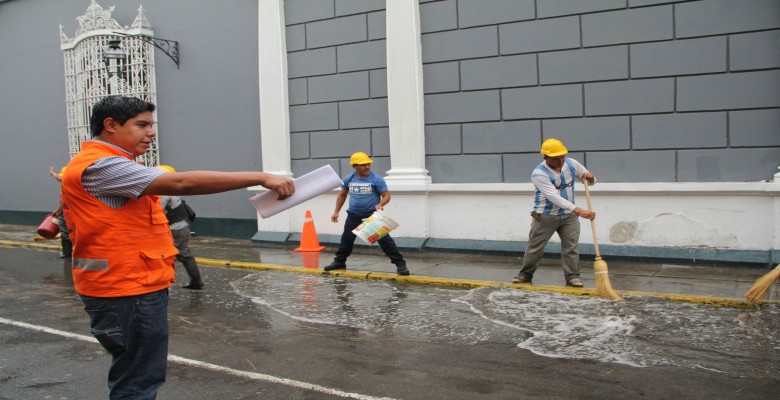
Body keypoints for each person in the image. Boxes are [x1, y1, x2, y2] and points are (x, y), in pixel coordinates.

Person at [60, 95, 294, 400]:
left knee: (135, 376)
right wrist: (261, 177)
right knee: (137, 383)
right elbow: (183, 183)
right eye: (142, 125)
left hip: (127, 286)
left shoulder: (105, 163)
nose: (151, 133)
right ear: (111, 125)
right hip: (126, 290)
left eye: (151, 125)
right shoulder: (103, 165)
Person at [512, 138, 596, 287]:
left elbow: (590, 180)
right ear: (546, 157)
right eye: (556, 158)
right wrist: (579, 211)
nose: (561, 161)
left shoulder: (571, 164)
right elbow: (554, 197)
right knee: (535, 247)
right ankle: (525, 274)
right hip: (545, 215)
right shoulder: (539, 174)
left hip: (569, 216)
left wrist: (590, 178)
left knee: (571, 246)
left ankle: (573, 277)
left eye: (562, 157)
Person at [324, 151, 410, 276]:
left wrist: (381, 204)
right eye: (363, 165)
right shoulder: (349, 178)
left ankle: (400, 264)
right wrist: (336, 211)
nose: (367, 167)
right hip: (353, 215)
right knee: (346, 240)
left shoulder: (376, 179)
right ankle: (339, 262)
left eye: (368, 164)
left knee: (385, 241)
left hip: (371, 216)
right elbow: (342, 195)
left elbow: (386, 195)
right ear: (355, 166)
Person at [157, 165, 203, 290]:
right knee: (185, 255)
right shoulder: (172, 190)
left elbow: (157, 210)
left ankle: (162, 285)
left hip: (173, 229)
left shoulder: (163, 192)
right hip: (182, 227)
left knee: (163, 257)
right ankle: (196, 281)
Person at [49, 166, 72, 258]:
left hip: (66, 211)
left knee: (65, 232)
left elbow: (64, 201)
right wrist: (52, 172)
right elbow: (58, 177)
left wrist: (56, 211)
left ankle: (67, 253)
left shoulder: (67, 185)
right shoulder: (73, 183)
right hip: (72, 211)